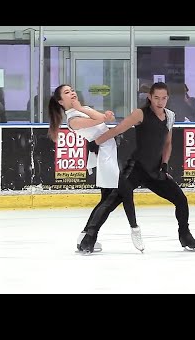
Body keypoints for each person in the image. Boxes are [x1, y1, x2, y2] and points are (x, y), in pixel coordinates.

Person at [82, 82, 195, 252]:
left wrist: (164, 166)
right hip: (136, 169)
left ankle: (185, 234)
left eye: (164, 98)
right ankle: (90, 236)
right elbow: (118, 129)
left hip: (155, 171)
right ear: (150, 97)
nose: (160, 102)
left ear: (168, 98)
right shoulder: (140, 114)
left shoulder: (170, 116)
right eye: (157, 98)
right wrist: (97, 142)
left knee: (181, 200)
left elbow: (167, 144)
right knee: (111, 201)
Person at [47, 84, 144, 254]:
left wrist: (100, 113)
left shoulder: (82, 108)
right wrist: (98, 115)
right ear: (61, 101)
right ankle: (134, 228)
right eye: (67, 93)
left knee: (106, 200)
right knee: (125, 191)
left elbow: (107, 119)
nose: (72, 93)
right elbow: (99, 120)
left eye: (72, 90)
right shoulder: (72, 120)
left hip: (110, 151)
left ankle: (86, 237)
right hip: (104, 157)